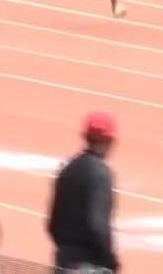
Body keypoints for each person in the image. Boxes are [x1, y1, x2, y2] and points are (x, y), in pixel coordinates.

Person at [48, 112, 119, 273]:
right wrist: (110, 260)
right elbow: (97, 225)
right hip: (89, 264)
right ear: (109, 140)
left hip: (64, 260)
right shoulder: (101, 174)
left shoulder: (67, 169)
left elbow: (52, 224)